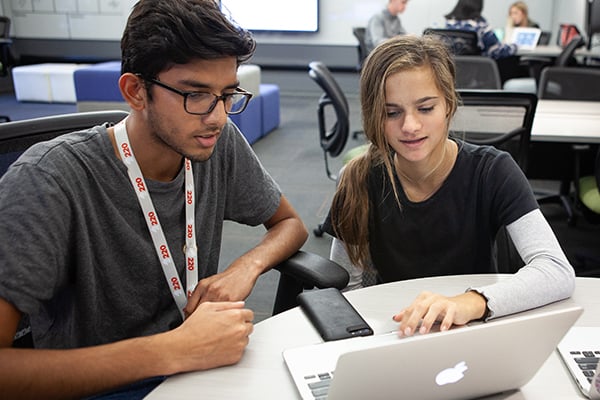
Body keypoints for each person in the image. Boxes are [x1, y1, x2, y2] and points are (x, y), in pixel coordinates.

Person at [0, 0, 308, 398]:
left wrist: (245, 267)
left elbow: (290, 224)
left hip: (200, 371)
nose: (217, 116)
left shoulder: (216, 143)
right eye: (196, 95)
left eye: (228, 94)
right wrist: (172, 351)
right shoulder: (49, 180)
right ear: (135, 91)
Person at [325, 34, 575, 338]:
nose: (410, 126)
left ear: (449, 105)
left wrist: (469, 303)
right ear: (374, 114)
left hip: (473, 328)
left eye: (426, 108)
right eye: (392, 113)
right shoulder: (358, 179)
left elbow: (556, 270)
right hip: (397, 332)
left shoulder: (492, 170)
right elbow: (345, 291)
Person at [444, 0, 517, 59]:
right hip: (478, 73)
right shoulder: (481, 27)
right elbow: (496, 51)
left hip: (454, 73)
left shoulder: (449, 24)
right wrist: (514, 46)